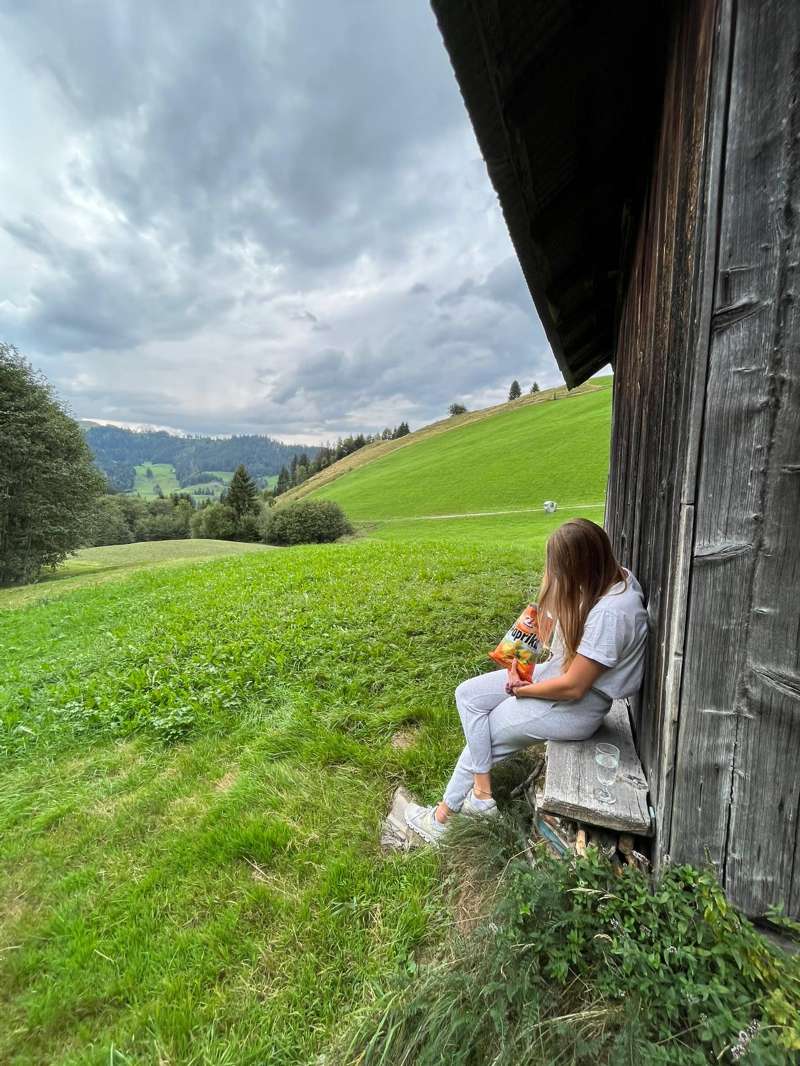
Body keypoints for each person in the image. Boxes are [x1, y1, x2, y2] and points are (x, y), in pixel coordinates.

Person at [405, 518, 648, 844]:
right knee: (467, 695)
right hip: (555, 677)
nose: (556, 577)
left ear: (580, 567)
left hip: (575, 707)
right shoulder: (613, 576)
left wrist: (523, 688)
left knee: (486, 731)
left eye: (560, 570)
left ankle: (442, 819)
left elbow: (574, 688)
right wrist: (518, 661)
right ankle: (481, 795)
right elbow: (546, 628)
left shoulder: (613, 614)